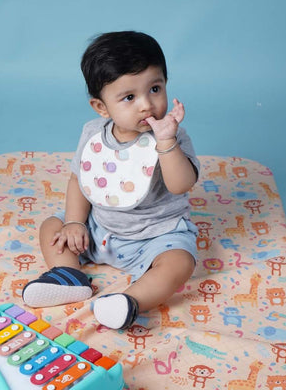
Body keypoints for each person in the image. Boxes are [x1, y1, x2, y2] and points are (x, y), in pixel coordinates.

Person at [22, 31, 200, 330]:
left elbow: (180, 185)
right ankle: (69, 276)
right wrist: (76, 223)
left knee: (180, 262)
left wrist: (166, 142)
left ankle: (129, 301)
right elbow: (80, 179)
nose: (146, 104)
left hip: (157, 236)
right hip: (99, 228)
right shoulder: (94, 134)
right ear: (101, 107)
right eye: (129, 97)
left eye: (155, 89)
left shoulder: (172, 135)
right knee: (52, 227)